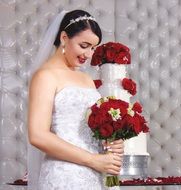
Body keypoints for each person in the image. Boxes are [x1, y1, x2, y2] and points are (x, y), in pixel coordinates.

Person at [27, 10, 124, 190]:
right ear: (64, 37)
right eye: (84, 45)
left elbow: (90, 126)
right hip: (65, 175)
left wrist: (111, 140)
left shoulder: (86, 79)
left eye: (93, 48)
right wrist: (92, 160)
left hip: (96, 174)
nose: (89, 54)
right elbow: (38, 135)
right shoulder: (45, 76)